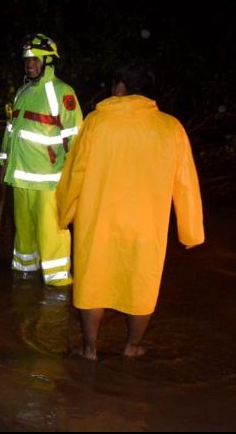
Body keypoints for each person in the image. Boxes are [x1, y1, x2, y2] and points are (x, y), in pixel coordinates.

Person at [56, 62, 204, 360]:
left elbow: (75, 173)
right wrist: (191, 231)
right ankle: (132, 346)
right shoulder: (171, 127)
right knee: (141, 284)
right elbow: (186, 184)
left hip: (98, 221)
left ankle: (89, 348)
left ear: (120, 87)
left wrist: (65, 212)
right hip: (146, 226)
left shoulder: (97, 123)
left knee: (92, 284)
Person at [0, 33, 83, 286]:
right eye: (27, 60)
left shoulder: (62, 93)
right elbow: (10, 132)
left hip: (49, 183)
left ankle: (59, 286)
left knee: (52, 234)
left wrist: (74, 179)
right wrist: (3, 163)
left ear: (48, 61)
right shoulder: (21, 92)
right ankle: (24, 277)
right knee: (23, 235)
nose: (31, 65)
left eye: (36, 59)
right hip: (20, 179)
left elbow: (75, 139)